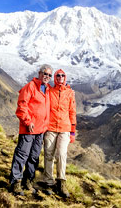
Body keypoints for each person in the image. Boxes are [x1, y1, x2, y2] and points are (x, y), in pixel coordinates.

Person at [8, 64, 52, 196]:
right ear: (39, 73)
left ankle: (28, 181)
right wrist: (28, 121)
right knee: (22, 155)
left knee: (33, 157)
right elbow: (22, 105)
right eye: (45, 74)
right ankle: (15, 182)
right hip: (29, 128)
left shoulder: (48, 89)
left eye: (49, 75)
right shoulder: (31, 87)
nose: (47, 77)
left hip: (40, 130)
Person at [41, 69, 76, 198]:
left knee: (61, 154)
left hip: (64, 128)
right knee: (48, 154)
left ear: (65, 78)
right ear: (55, 78)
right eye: (58, 75)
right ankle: (48, 182)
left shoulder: (70, 93)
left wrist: (72, 131)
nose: (60, 77)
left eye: (62, 75)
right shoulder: (49, 90)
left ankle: (61, 182)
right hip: (50, 127)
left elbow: (72, 111)